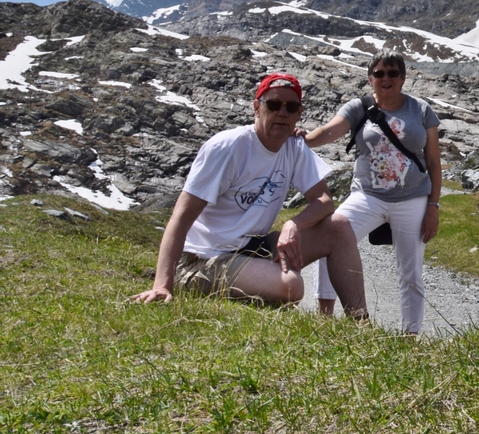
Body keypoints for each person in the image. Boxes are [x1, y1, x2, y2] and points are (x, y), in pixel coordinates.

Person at [130, 73, 368, 319]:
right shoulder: (227, 147)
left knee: (338, 226)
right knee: (291, 286)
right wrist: (162, 285)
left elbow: (324, 201)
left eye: (291, 107)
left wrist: (293, 224)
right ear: (256, 108)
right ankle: (192, 283)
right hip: (204, 257)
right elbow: (180, 218)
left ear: (299, 113)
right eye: (273, 105)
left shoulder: (294, 146)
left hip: (252, 247)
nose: (282, 113)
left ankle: (360, 321)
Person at [300, 49, 441, 333]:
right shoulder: (358, 107)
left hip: (412, 198)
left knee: (411, 271)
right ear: (370, 78)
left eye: (393, 73)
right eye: (379, 73)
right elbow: (330, 131)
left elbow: (434, 162)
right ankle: (324, 320)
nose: (386, 78)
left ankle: (410, 336)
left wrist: (433, 206)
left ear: (403, 78)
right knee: (329, 237)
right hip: (367, 196)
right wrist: (303, 139)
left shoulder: (421, 110)